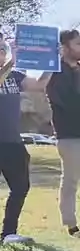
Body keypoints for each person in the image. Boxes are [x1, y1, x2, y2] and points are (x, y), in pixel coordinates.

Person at [0, 31, 51, 244]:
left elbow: (39, 85)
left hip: (12, 141)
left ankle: (9, 233)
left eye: (5, 47)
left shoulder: (16, 75)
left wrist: (52, 61)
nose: (3, 50)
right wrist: (11, 63)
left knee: (21, 186)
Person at [47, 29, 80, 237]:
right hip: (69, 134)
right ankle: (71, 224)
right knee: (71, 179)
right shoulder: (55, 71)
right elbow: (67, 100)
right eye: (77, 44)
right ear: (65, 47)